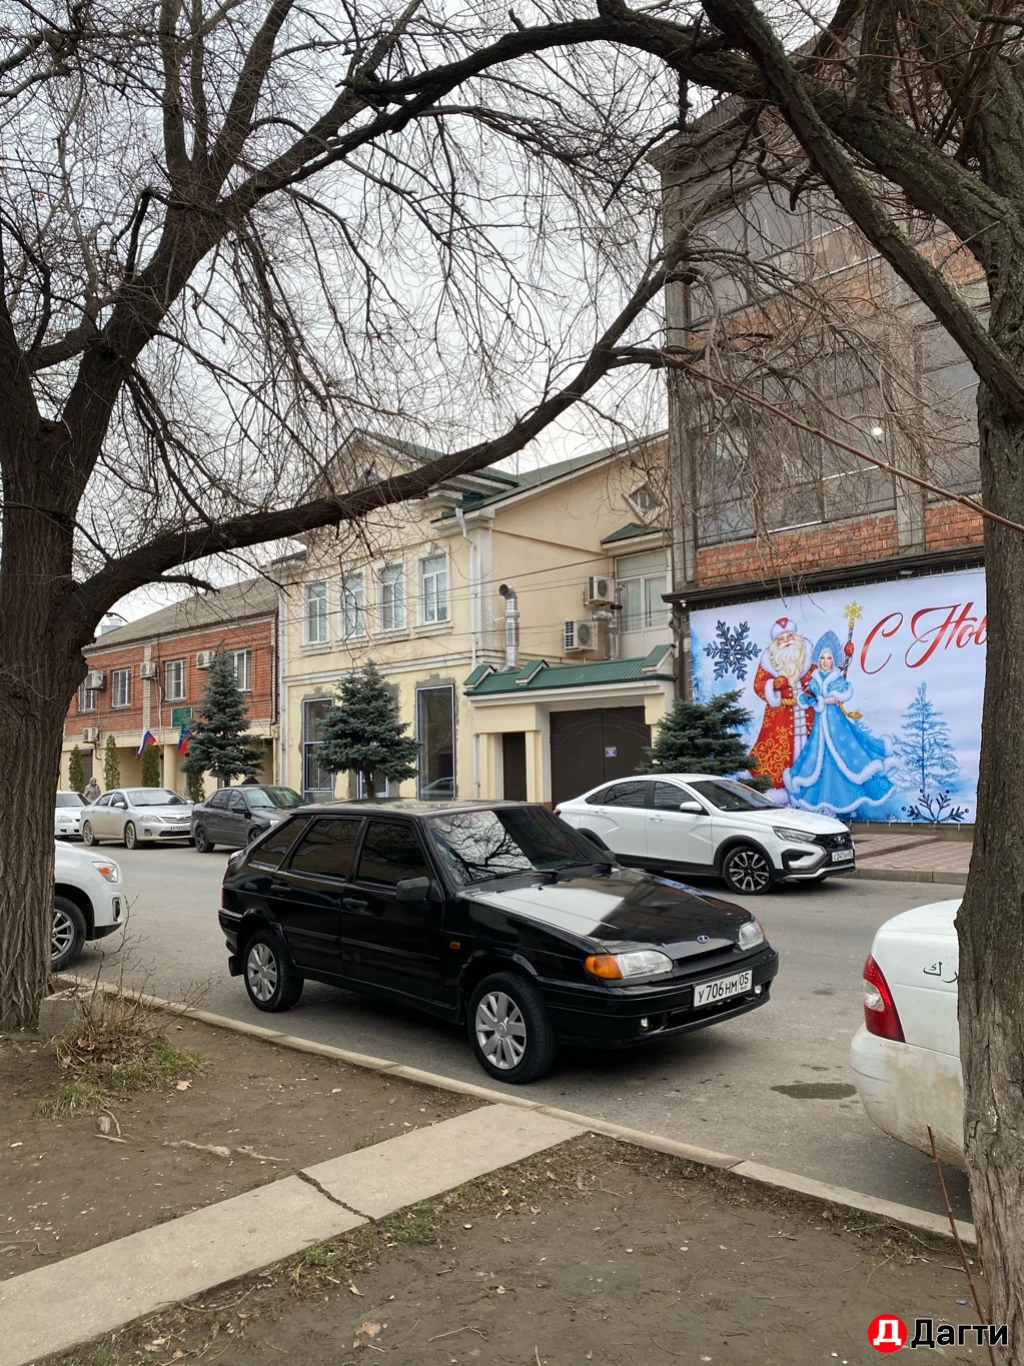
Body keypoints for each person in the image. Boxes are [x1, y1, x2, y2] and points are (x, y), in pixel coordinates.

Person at [784, 631, 897, 816]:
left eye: (829, 658)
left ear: (833, 660)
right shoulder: (815, 678)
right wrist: (807, 699)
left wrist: (820, 700)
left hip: (835, 722)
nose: (826, 661)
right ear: (818, 660)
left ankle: (857, 799)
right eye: (823, 658)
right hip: (821, 725)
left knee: (848, 752)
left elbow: (837, 697)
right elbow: (808, 694)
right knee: (819, 756)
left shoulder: (836, 678)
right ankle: (825, 801)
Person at [749, 618, 816, 796]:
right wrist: (774, 685)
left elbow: (826, 672)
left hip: (809, 714)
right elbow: (758, 684)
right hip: (780, 717)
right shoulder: (768, 662)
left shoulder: (808, 657)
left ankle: (811, 788)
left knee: (815, 748)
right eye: (781, 638)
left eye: (790, 636)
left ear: (797, 637)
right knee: (776, 751)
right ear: (774, 644)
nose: (786, 641)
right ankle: (779, 791)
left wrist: (845, 659)